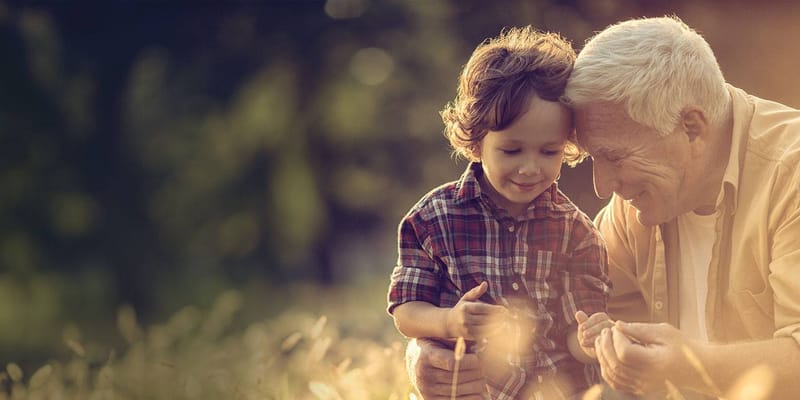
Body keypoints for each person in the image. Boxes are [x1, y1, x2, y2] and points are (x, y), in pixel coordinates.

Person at [409, 15, 800, 400]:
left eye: (615, 156)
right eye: (595, 158)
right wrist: (427, 355)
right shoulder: (632, 209)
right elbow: (554, 327)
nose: (602, 187)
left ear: (691, 128)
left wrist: (692, 363)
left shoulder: (790, 174)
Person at [387, 26, 612, 399]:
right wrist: (449, 321)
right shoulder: (433, 219)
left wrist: (591, 338)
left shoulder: (576, 231)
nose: (530, 168)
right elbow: (405, 310)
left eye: (549, 151)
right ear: (476, 141)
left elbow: (576, 331)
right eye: (511, 150)